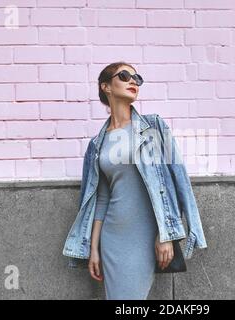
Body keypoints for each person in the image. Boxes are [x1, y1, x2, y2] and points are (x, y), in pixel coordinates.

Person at [89, 62, 175, 300]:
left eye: (136, 78)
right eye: (124, 76)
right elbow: (102, 197)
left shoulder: (154, 127)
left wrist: (165, 234)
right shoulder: (97, 143)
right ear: (106, 86)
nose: (133, 81)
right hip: (112, 237)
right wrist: (94, 249)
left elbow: (171, 184)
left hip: (144, 236)